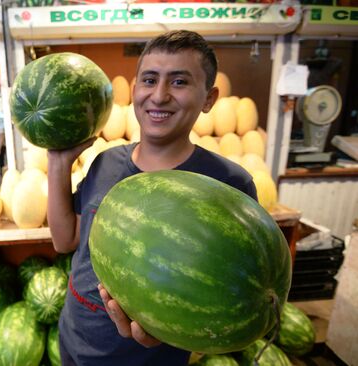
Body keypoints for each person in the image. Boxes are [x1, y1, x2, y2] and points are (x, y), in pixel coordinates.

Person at [47, 30, 258, 366]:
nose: (159, 95)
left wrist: (180, 337)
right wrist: (58, 162)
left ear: (209, 98)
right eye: (149, 79)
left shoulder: (229, 184)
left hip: (149, 358)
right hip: (75, 337)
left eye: (179, 82)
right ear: (134, 90)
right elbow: (66, 239)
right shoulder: (105, 162)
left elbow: (235, 298)